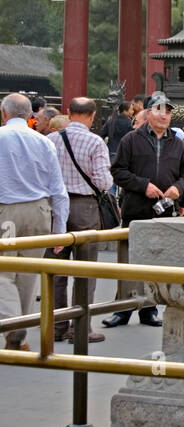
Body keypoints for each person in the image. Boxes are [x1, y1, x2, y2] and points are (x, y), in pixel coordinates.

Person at [105, 94, 184, 327]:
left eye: (167, 111)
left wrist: (179, 188)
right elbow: (118, 172)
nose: (164, 115)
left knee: (155, 262)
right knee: (130, 262)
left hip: (164, 211)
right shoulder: (131, 140)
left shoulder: (179, 145)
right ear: (147, 113)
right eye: (158, 109)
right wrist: (143, 185)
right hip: (136, 209)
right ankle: (123, 308)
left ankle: (149, 308)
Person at [0, 93, 69, 350]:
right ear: (31, 115)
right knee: (29, 274)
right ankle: (17, 336)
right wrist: (60, 228)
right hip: (40, 211)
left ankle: (10, 324)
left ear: (4, 113)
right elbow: (58, 188)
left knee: (2, 273)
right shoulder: (44, 142)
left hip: (5, 211)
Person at [46, 97, 112, 343]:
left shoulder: (51, 140)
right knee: (84, 270)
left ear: (68, 112)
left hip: (55, 207)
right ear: (93, 116)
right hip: (85, 208)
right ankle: (80, 327)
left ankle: (57, 325)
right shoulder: (95, 142)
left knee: (57, 269)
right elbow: (103, 181)